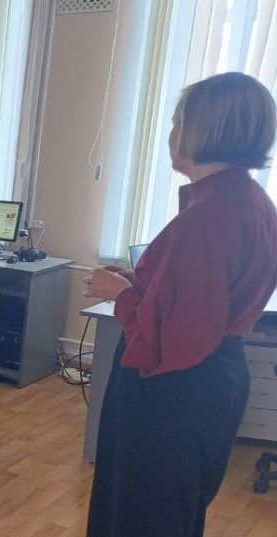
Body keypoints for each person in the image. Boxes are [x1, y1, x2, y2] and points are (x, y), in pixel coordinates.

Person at [83, 72, 277, 537]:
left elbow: (175, 339)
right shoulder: (248, 200)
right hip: (210, 381)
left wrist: (120, 294)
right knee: (172, 511)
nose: (170, 134)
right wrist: (142, 282)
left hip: (173, 390)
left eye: (177, 121)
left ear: (204, 130)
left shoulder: (209, 217)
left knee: (142, 515)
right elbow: (206, 296)